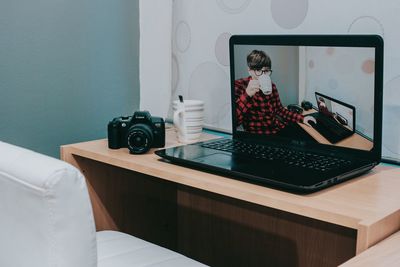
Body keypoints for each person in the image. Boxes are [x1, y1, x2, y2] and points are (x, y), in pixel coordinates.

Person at [235, 50, 316, 142]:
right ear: (250, 71)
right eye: (258, 70)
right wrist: (247, 95)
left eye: (266, 71)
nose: (263, 75)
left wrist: (302, 118)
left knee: (306, 140)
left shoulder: (272, 86)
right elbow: (235, 122)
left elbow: (279, 110)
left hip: (277, 129)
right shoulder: (239, 86)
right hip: (258, 137)